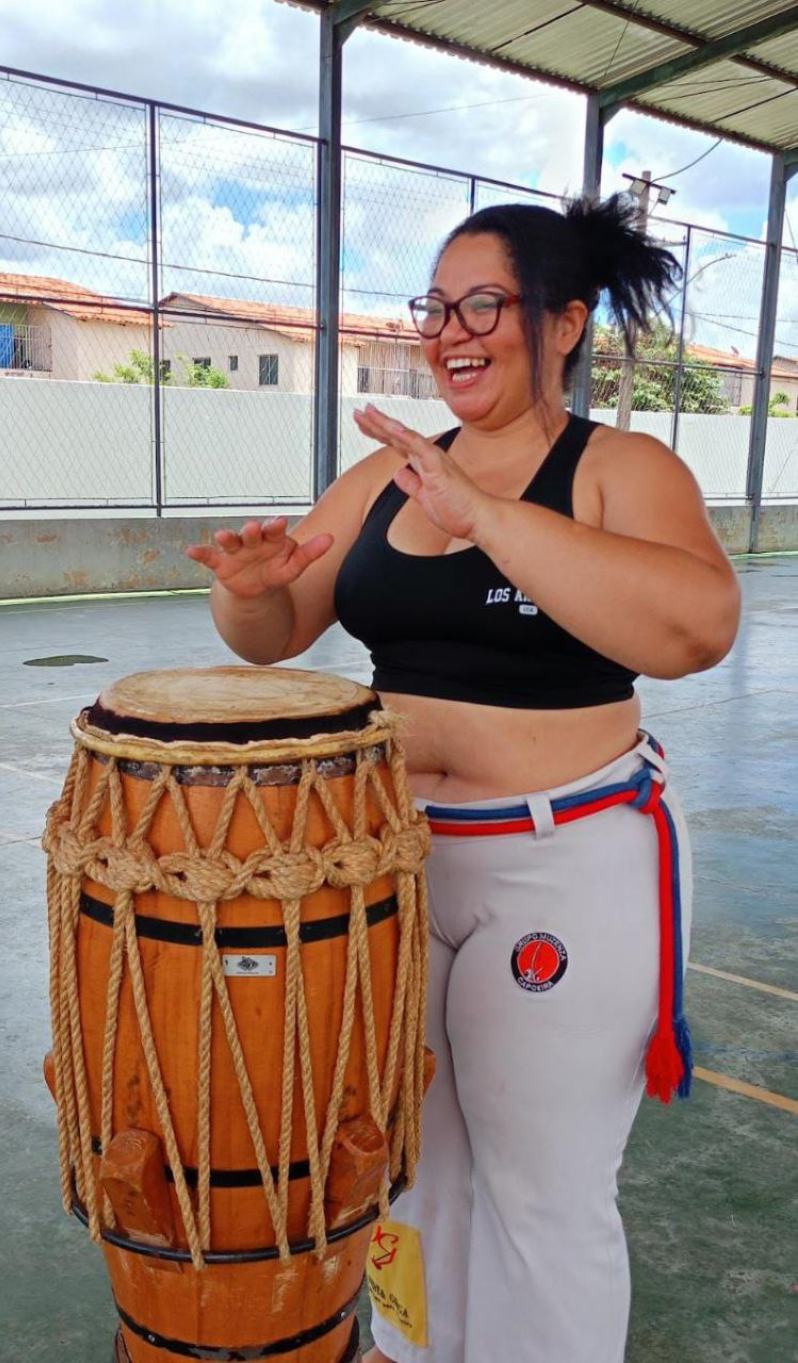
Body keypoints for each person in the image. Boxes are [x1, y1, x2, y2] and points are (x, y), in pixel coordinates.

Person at [185, 195, 741, 1363]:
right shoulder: (387, 474)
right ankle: (411, 1352)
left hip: (569, 858)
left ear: (565, 322)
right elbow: (280, 627)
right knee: (407, 1167)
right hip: (391, 861)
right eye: (436, 307)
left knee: (543, 1193)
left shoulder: (617, 468)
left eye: (483, 302)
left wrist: (486, 514)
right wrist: (246, 588)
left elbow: (695, 629)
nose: (453, 330)